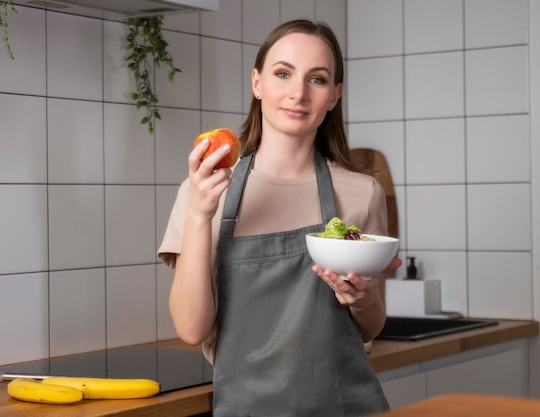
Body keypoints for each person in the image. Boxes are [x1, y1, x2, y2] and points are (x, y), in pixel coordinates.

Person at [158, 19, 402, 417]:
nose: (298, 93)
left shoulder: (361, 193)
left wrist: (364, 295)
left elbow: (371, 327)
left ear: (335, 95)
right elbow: (191, 329)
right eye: (283, 73)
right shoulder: (204, 192)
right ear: (257, 83)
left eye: (317, 79)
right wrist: (201, 216)